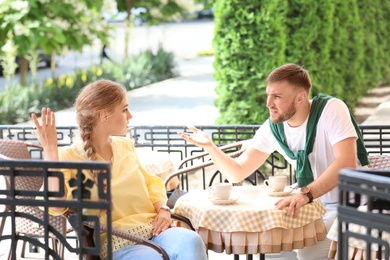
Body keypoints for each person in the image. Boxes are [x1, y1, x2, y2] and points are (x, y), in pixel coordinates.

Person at [178, 63, 369, 260]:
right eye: (268, 95)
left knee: (308, 253)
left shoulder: (331, 109)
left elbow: (346, 162)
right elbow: (237, 172)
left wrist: (306, 194)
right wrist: (211, 147)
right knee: (271, 250)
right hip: (313, 208)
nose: (269, 103)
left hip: (353, 205)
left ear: (301, 97)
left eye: (277, 96)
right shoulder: (273, 128)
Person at [31, 79, 207, 260]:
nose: (130, 116)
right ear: (104, 116)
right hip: (118, 241)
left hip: (155, 230)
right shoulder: (67, 156)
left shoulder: (125, 145)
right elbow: (55, 205)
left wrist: (163, 209)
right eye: (124, 110)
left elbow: (151, 183)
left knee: (191, 241)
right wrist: (50, 150)